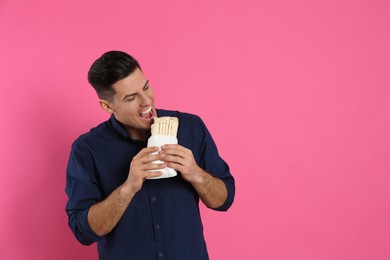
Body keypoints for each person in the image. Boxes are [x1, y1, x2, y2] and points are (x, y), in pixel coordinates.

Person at [65, 50, 235, 260]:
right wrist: (128, 188)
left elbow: (224, 201)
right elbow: (82, 232)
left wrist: (196, 174)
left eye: (146, 87)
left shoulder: (191, 128)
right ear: (108, 106)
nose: (146, 102)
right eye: (131, 97)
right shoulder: (87, 150)